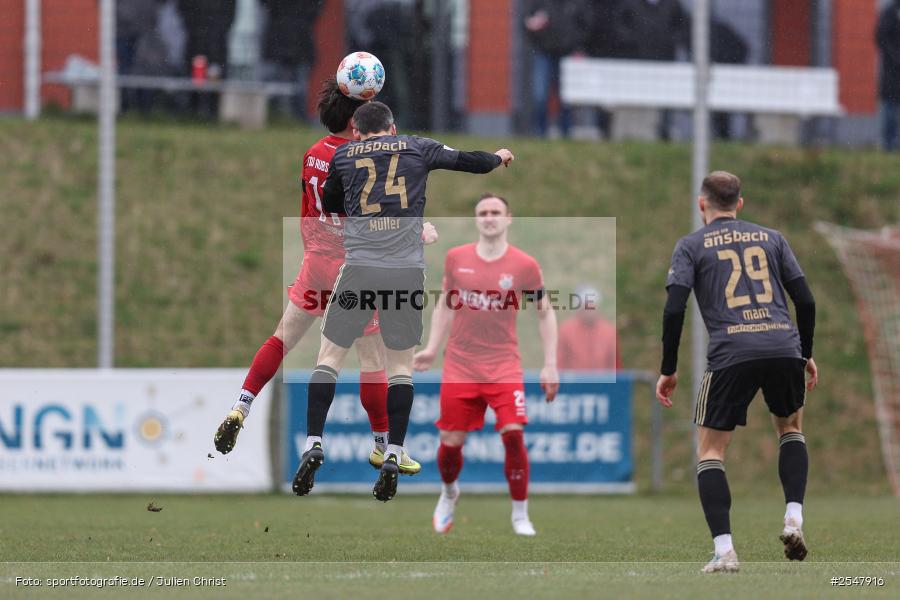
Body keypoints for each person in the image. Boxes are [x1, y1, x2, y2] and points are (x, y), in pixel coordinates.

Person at [291, 101, 515, 502]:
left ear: (356, 131)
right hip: (405, 273)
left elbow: (335, 204)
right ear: (392, 128)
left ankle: (313, 442)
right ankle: (393, 451)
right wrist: (497, 157)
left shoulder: (343, 155)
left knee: (329, 357)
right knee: (399, 368)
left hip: (359, 268)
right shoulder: (416, 147)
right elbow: (469, 161)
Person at [213, 80, 434, 479]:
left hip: (315, 261)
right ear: (356, 123)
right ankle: (384, 447)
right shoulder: (358, 158)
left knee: (281, 337)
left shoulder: (313, 154)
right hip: (353, 266)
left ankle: (241, 405)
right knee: (371, 357)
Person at [656, 171, 818, 573]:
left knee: (711, 451)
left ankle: (725, 550)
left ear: (701, 204)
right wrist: (805, 354)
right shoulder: (772, 238)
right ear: (739, 204)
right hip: (783, 345)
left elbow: (674, 308)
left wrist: (668, 369)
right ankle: (793, 516)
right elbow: (807, 301)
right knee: (791, 428)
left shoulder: (690, 245)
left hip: (732, 352)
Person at [413, 193, 559, 536]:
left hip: (504, 364)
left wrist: (550, 364)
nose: (489, 217)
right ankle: (449, 493)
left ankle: (520, 515)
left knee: (513, 434)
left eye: (496, 212)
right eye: (483, 212)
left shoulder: (525, 265)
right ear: (476, 219)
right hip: (460, 365)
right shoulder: (456, 258)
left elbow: (544, 311)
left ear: (508, 219)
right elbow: (446, 305)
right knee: (450, 443)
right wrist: (432, 348)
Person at [523, 0, 593, 137]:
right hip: (543, 52)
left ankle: (565, 132)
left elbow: (586, 25)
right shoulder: (540, 3)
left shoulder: (577, 4)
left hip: (568, 54)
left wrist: (578, 46)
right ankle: (539, 133)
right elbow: (526, 22)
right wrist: (535, 31)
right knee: (540, 95)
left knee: (566, 97)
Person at [259, 0, 324, 120]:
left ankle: (289, 117)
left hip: (288, 43)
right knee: (276, 86)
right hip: (288, 43)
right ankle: (281, 117)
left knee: (296, 88)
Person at [557, 285, 620, 371]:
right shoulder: (566, 330)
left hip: (602, 383)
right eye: (586, 306)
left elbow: (615, 365)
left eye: (592, 306)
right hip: (574, 382)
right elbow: (560, 363)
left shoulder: (609, 332)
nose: (589, 310)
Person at [876, 0, 900, 151]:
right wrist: (896, 58)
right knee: (890, 111)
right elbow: (881, 37)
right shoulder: (890, 13)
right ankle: (889, 146)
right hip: (892, 72)